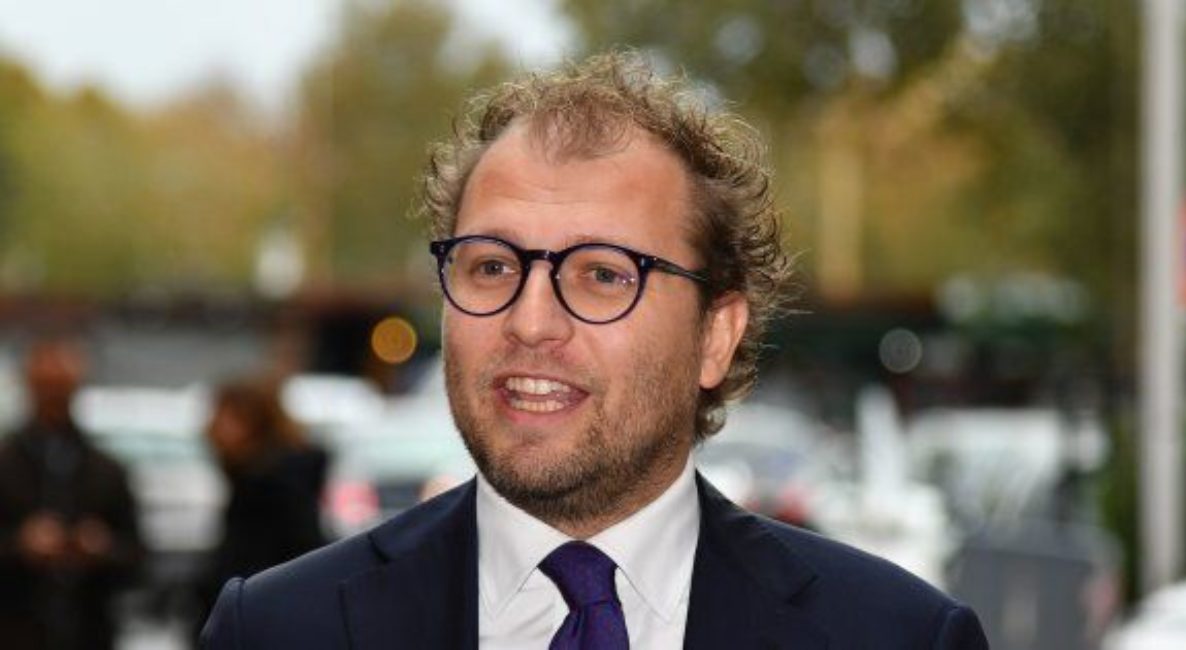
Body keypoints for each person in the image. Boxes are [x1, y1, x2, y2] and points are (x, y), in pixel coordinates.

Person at [202, 51, 989, 649]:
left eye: (605, 275)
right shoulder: (275, 631)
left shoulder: (897, 638)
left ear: (715, 336)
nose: (530, 321)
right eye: (492, 267)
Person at [0, 335, 144, 650]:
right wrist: (19, 545)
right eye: (46, 387)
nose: (54, 397)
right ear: (29, 387)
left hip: (88, 630)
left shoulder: (106, 470)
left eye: (61, 388)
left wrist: (102, 548)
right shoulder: (6, 464)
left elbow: (138, 557)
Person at [195, 379, 328, 638]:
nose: (215, 427)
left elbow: (299, 547)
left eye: (226, 418)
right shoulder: (249, 476)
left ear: (251, 423)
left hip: (264, 615)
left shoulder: (273, 482)